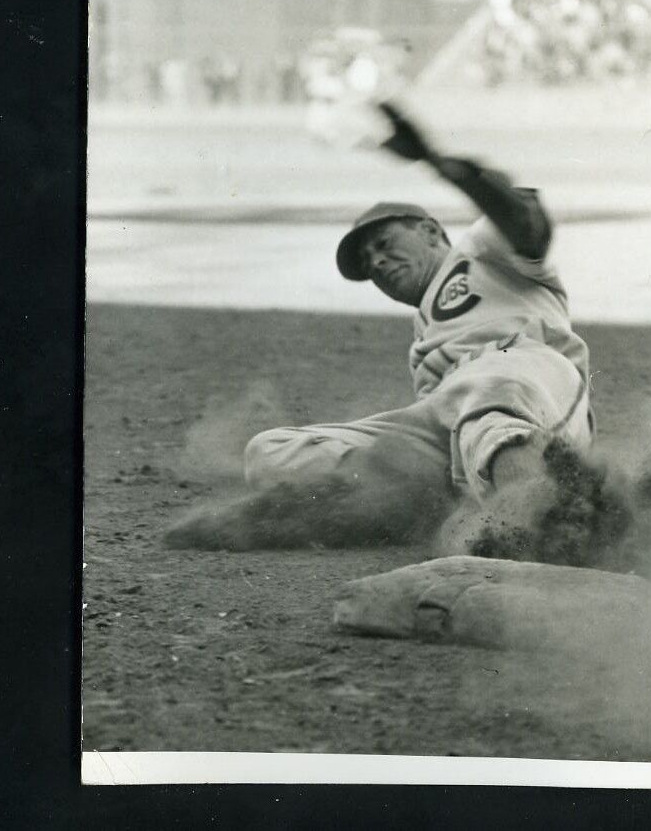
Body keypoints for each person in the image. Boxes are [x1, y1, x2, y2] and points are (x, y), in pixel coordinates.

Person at [165, 103, 595, 554]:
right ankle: (412, 508)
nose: (377, 263)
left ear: (431, 232)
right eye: (368, 264)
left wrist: (440, 164)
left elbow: (526, 219)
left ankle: (545, 524)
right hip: (455, 425)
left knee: (484, 388)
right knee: (269, 453)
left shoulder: (480, 252)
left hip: (532, 385)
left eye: (385, 244)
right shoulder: (423, 340)